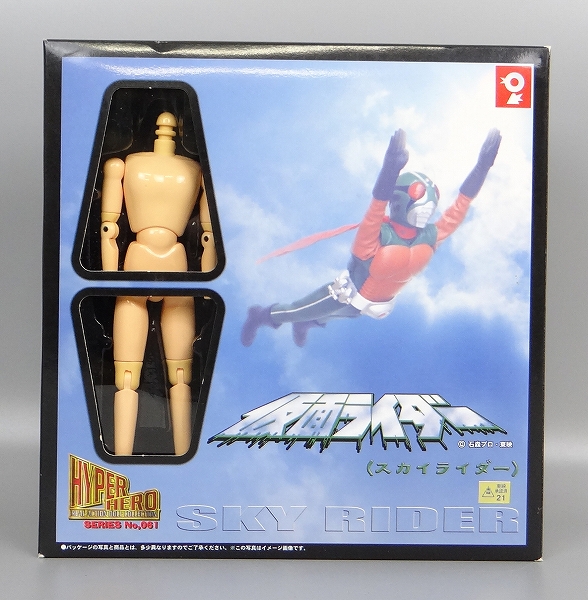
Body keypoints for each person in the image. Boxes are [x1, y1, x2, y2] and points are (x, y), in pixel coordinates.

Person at [242, 128, 501, 347]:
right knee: (295, 310)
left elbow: (460, 205)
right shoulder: (379, 235)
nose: (426, 207)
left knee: (337, 315)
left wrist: (482, 168)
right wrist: (390, 169)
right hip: (342, 294)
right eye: (418, 197)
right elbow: (377, 205)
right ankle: (260, 315)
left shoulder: (430, 236)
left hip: (369, 306)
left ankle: (307, 323)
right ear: (399, 201)